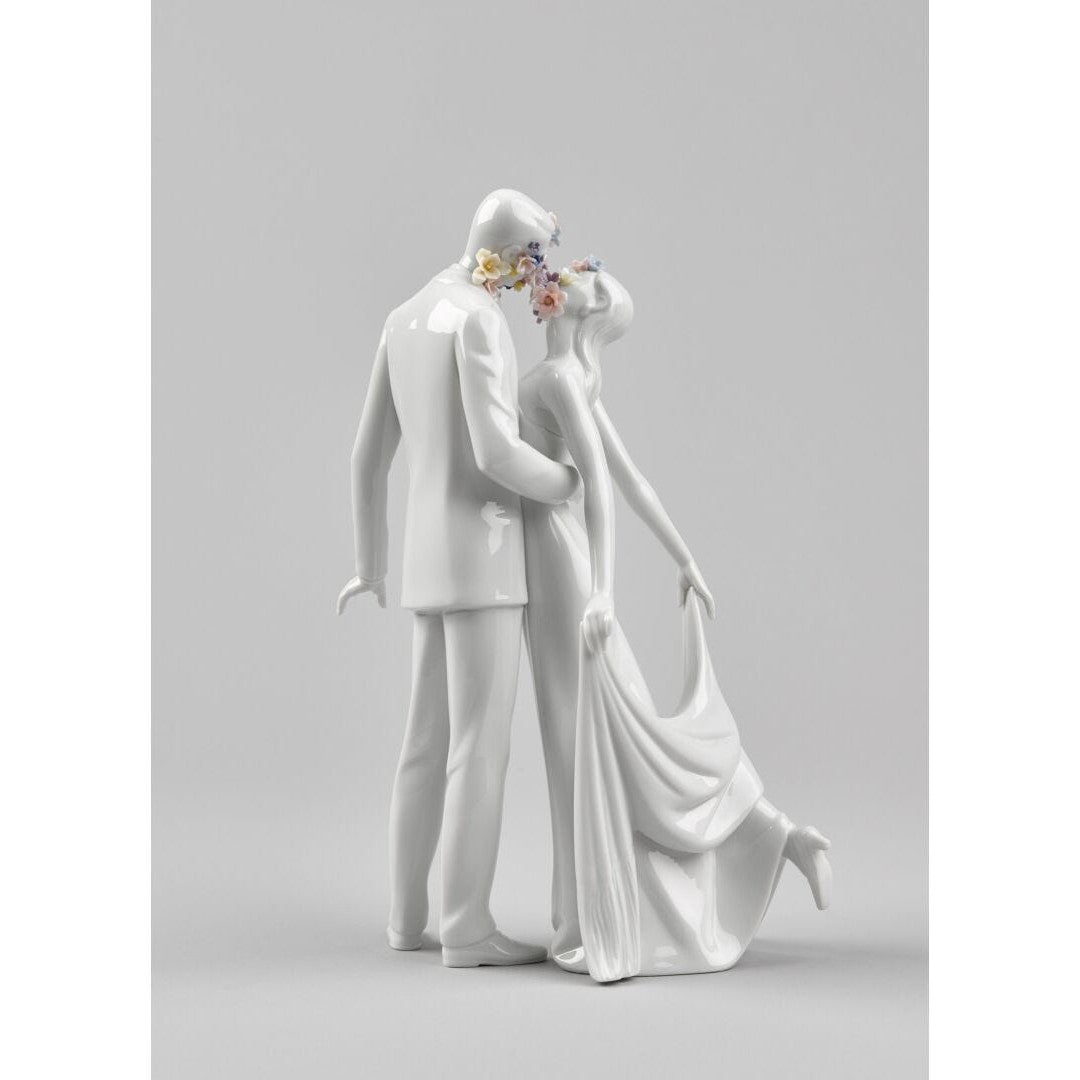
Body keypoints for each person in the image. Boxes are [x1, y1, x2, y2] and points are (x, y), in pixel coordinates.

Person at [516, 262, 832, 978]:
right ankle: (775, 833)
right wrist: (683, 555)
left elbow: (606, 485)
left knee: (589, 741)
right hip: (559, 558)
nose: (570, 275)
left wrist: (604, 589)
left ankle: (592, 921)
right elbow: (633, 481)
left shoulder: (561, 379)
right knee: (609, 735)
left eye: (587, 279)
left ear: (584, 310)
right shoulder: (572, 379)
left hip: (562, 565)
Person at [337, 190, 579, 968]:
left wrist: (370, 563)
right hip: (486, 552)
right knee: (479, 745)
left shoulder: (404, 317)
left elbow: (366, 457)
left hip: (424, 559)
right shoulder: (478, 320)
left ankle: (406, 918)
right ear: (505, 258)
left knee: (423, 742)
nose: (531, 280)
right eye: (530, 263)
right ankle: (467, 925)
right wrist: (571, 481)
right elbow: (495, 451)